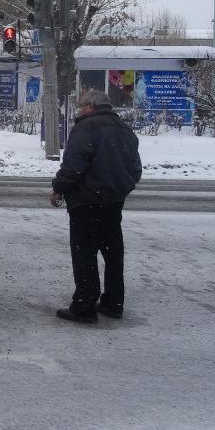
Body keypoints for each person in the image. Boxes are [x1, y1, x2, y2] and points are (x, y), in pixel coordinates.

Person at [51, 90, 142, 324]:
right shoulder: (124, 129)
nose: (80, 110)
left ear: (91, 106)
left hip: (86, 202)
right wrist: (121, 190)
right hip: (114, 202)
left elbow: (73, 166)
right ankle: (113, 302)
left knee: (84, 255)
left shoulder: (86, 128)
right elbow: (135, 169)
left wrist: (59, 188)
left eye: (82, 106)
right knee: (113, 254)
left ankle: (84, 306)